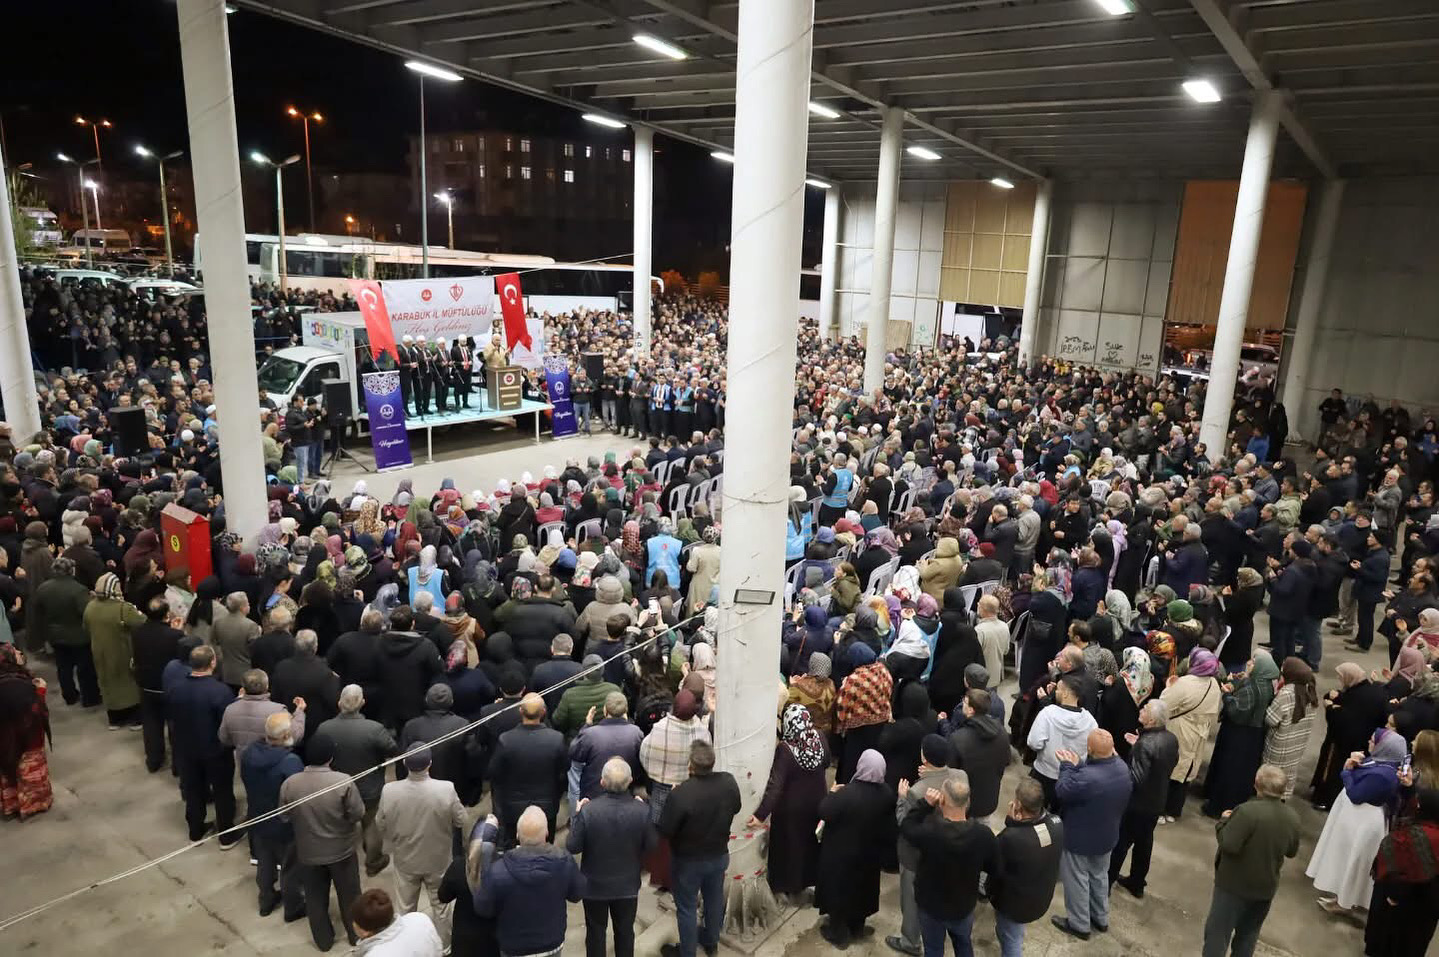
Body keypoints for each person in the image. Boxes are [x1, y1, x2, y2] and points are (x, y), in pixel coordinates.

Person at [279, 732, 366, 953]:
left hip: (308, 852)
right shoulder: (342, 781)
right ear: (331, 757)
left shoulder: (290, 783)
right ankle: (356, 936)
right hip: (342, 851)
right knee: (350, 895)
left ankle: (323, 941)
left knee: (315, 898)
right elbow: (358, 813)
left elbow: (284, 816)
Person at [1307, 727, 1408, 917]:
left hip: (1363, 822)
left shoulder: (1382, 775)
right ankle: (1342, 897)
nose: (1369, 742)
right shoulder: (1380, 762)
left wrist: (1347, 771)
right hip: (1357, 818)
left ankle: (1345, 902)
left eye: (1373, 740)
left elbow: (1356, 794)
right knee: (1346, 857)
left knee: (1353, 861)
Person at [1202, 765, 1301, 957]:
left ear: (1256, 785)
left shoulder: (1247, 812)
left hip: (1234, 886)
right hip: (1265, 889)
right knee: (1248, 936)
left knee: (1218, 934)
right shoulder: (1292, 817)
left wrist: (1223, 822)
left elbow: (1229, 844)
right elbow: (1291, 851)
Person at [376, 747, 467, 951]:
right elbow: (461, 819)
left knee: (405, 907)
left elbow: (380, 823)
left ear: (405, 764)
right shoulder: (446, 789)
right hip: (439, 860)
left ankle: (409, 948)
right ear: (429, 764)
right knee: (441, 907)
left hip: (405, 859)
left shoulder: (389, 791)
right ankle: (444, 947)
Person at [897, 770, 996, 957]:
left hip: (931, 907)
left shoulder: (930, 833)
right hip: (963, 906)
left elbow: (907, 827)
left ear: (942, 800)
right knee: (964, 944)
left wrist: (924, 804)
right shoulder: (983, 835)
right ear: (967, 802)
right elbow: (994, 868)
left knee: (933, 949)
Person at [658, 740, 742, 957]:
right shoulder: (728, 782)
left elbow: (666, 829)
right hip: (719, 854)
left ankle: (687, 952)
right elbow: (737, 807)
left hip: (688, 861)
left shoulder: (681, 794)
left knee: (686, 908)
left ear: (690, 766)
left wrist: (674, 799)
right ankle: (711, 943)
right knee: (714, 900)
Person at [566, 757, 656, 957]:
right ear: (630, 780)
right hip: (627, 886)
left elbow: (572, 846)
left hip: (594, 886)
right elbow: (652, 846)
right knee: (625, 933)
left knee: (596, 934)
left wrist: (577, 815)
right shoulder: (641, 810)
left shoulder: (589, 810)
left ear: (602, 782)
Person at [1050, 729, 1132, 941]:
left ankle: (1079, 923)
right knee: (1099, 876)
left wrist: (1067, 766)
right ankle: (1100, 918)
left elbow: (1063, 791)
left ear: (1089, 749)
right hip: (1107, 836)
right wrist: (1079, 767)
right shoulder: (1123, 768)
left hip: (1080, 838)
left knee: (1077, 879)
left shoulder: (1088, 778)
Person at [312, 684, 399, 877]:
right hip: (369, 788)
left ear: (339, 703)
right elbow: (393, 750)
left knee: (339, 822)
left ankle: (338, 862)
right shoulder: (374, 729)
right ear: (363, 703)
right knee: (370, 823)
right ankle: (373, 861)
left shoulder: (324, 728)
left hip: (335, 787)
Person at [477, 804, 586, 957]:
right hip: (551, 944)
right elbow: (577, 894)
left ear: (517, 834)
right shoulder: (564, 862)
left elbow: (483, 908)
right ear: (547, 832)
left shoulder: (498, 871)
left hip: (514, 948)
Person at [814, 749, 897, 947]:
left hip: (843, 854)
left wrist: (832, 793)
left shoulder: (847, 794)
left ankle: (839, 933)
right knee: (863, 890)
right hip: (870, 854)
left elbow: (824, 811)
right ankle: (858, 927)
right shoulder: (886, 793)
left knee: (840, 891)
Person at [749, 704, 828, 906]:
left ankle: (786, 887)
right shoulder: (819, 737)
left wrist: (760, 814)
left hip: (791, 811)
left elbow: (775, 786)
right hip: (816, 803)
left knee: (788, 848)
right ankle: (807, 882)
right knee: (809, 845)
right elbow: (826, 762)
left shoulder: (786, 749)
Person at [166, 645, 240, 846]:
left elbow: (171, 718)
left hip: (186, 751)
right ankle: (226, 835)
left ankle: (195, 831)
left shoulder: (176, 689)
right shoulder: (220, 691)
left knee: (193, 790)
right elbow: (228, 722)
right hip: (216, 751)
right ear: (213, 663)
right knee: (223, 791)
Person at [888, 734, 954, 957]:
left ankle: (910, 941)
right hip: (945, 850)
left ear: (924, 758)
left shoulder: (917, 791)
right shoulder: (959, 777)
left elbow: (904, 822)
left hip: (914, 856)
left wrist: (902, 797)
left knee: (911, 900)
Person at [1108, 699, 1179, 898]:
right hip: (1157, 801)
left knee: (1121, 843)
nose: (1141, 710)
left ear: (1152, 720)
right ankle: (1137, 883)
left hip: (1136, 806)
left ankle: (1106, 883)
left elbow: (1135, 779)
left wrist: (1116, 760)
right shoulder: (1171, 738)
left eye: (1145, 709)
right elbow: (1171, 762)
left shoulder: (1146, 744)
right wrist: (1138, 743)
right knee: (1144, 843)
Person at [238, 711, 305, 919]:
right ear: (286, 735)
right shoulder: (290, 762)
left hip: (258, 817)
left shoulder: (249, 753)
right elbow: (298, 792)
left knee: (265, 863)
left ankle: (266, 901)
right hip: (284, 825)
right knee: (290, 867)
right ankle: (292, 907)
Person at [987, 778, 1063, 957]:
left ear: (1018, 805)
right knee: (1012, 933)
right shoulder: (1056, 823)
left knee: (1013, 941)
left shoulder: (1012, 838)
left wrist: (1011, 821)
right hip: (1040, 896)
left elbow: (993, 862)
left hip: (1015, 905)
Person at [1203, 651, 1280, 817]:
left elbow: (1237, 711)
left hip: (1238, 736)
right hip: (1253, 736)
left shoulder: (1252, 688)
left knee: (1229, 771)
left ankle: (1218, 807)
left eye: (1254, 661)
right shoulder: (1264, 684)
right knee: (1241, 774)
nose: (1249, 662)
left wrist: (1227, 694)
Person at [1364, 786, 1439, 957]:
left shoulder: (1412, 836)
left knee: (1388, 943)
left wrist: (1394, 895)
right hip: (1426, 910)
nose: (1416, 805)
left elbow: (1398, 864)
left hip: (1398, 905)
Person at [489, 693, 568, 846]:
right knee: (545, 846)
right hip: (547, 805)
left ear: (520, 711)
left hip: (513, 806)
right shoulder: (556, 739)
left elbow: (494, 773)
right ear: (544, 712)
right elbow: (565, 770)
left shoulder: (506, 740)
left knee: (513, 846)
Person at [1159, 647, 1222, 822]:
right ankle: (1173, 811)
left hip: (1180, 730)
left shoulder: (1185, 683)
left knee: (1170, 770)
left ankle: (1161, 810)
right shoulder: (1214, 684)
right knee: (1186, 773)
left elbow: (1164, 705)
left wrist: (1169, 686)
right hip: (1200, 733)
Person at [31, 556, 97, 708]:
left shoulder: (43, 588)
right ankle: (90, 698)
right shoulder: (78, 589)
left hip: (55, 636)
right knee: (85, 668)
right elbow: (86, 612)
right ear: (71, 570)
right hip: (79, 636)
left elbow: (38, 612)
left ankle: (69, 696)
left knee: (63, 667)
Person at [1026, 674, 1097, 810]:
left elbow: (1034, 743)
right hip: (1073, 777)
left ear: (1065, 694)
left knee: (1036, 811)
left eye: (1058, 689)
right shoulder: (1090, 721)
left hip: (1045, 774)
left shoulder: (1047, 714)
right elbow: (1092, 750)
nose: (1055, 692)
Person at [84, 571, 145, 729]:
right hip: (122, 652)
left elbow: (86, 627)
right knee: (129, 684)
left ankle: (115, 720)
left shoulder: (90, 607)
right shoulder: (123, 608)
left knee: (107, 683)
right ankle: (135, 719)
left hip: (100, 652)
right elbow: (141, 622)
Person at [0, 644, 52, 819]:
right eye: (15, 652)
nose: (20, 653)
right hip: (26, 741)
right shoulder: (19, 685)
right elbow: (34, 712)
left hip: (4, 742)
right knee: (27, 769)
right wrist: (40, 691)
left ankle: (12, 804)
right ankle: (33, 804)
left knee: (7, 771)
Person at [945, 688, 1010, 824]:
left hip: (964, 802)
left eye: (965, 702)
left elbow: (951, 773)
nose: (963, 703)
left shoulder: (958, 739)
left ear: (971, 710)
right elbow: (1005, 762)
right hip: (989, 798)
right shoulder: (1002, 733)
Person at [218, 668, 307, 757]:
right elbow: (294, 737)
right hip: (271, 763)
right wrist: (299, 712)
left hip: (243, 764)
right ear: (267, 686)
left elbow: (224, 739)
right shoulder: (278, 710)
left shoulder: (230, 709)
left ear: (243, 687)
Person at [1263, 656, 1318, 800]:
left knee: (1271, 776)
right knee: (1288, 774)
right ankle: (1283, 798)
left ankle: (1267, 801)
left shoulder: (1286, 693)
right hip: (1297, 745)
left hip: (1279, 746)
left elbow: (1271, 719)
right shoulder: (1310, 690)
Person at [351, 887, 444, 956]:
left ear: (364, 932)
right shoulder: (419, 919)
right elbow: (438, 949)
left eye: (355, 921)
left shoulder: (375, 954)